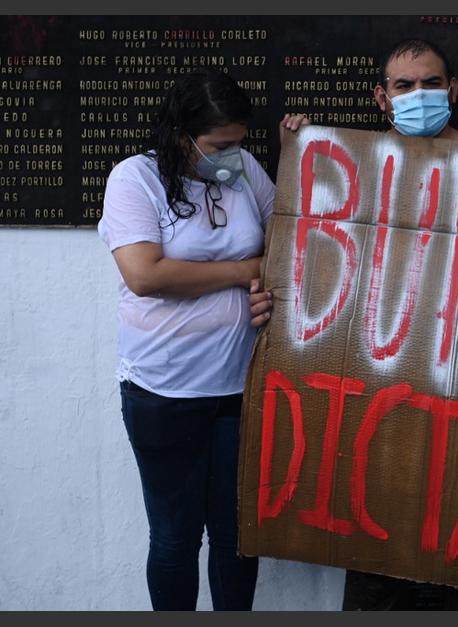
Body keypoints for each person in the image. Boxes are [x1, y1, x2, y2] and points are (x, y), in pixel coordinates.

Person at [250, 39, 458, 611]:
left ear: (453, 90)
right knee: (378, 552)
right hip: (374, 396)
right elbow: (308, 264)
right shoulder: (344, 170)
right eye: (403, 86)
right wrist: (275, 300)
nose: (419, 95)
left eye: (431, 83)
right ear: (381, 99)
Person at [98, 67, 275, 610]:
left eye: (239, 142)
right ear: (182, 136)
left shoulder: (243, 169)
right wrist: (245, 269)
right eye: (220, 145)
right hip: (164, 393)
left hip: (239, 389)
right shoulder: (136, 179)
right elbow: (146, 276)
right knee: (176, 539)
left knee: (236, 540)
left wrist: (309, 149)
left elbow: (290, 239)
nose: (232, 154)